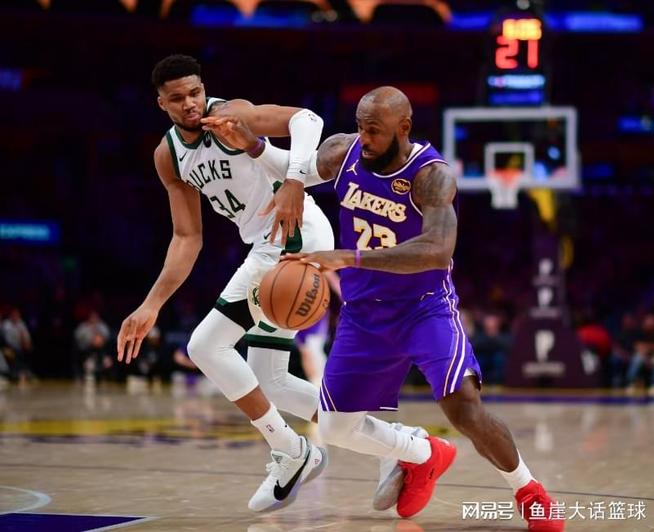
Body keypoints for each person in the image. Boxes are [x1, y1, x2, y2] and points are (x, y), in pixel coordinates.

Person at [212, 86, 564, 529]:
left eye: (374, 130)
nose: (364, 137)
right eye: (360, 126)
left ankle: (529, 491)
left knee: (463, 407)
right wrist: (253, 146)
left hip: (423, 308)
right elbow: (293, 168)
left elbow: (436, 250)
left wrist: (349, 257)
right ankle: (422, 455)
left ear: (404, 128)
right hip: (363, 315)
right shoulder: (344, 151)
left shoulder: (431, 175)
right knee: (335, 428)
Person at [116, 56, 409, 513]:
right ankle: (394, 445)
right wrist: (151, 304)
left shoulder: (233, 114)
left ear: (203, 88)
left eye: (195, 92)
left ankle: (292, 452)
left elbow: (306, 119)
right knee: (272, 381)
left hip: (292, 237)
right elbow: (187, 238)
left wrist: (293, 181)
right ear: (162, 104)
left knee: (205, 346)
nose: (190, 103)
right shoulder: (168, 156)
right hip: (265, 245)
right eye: (177, 98)